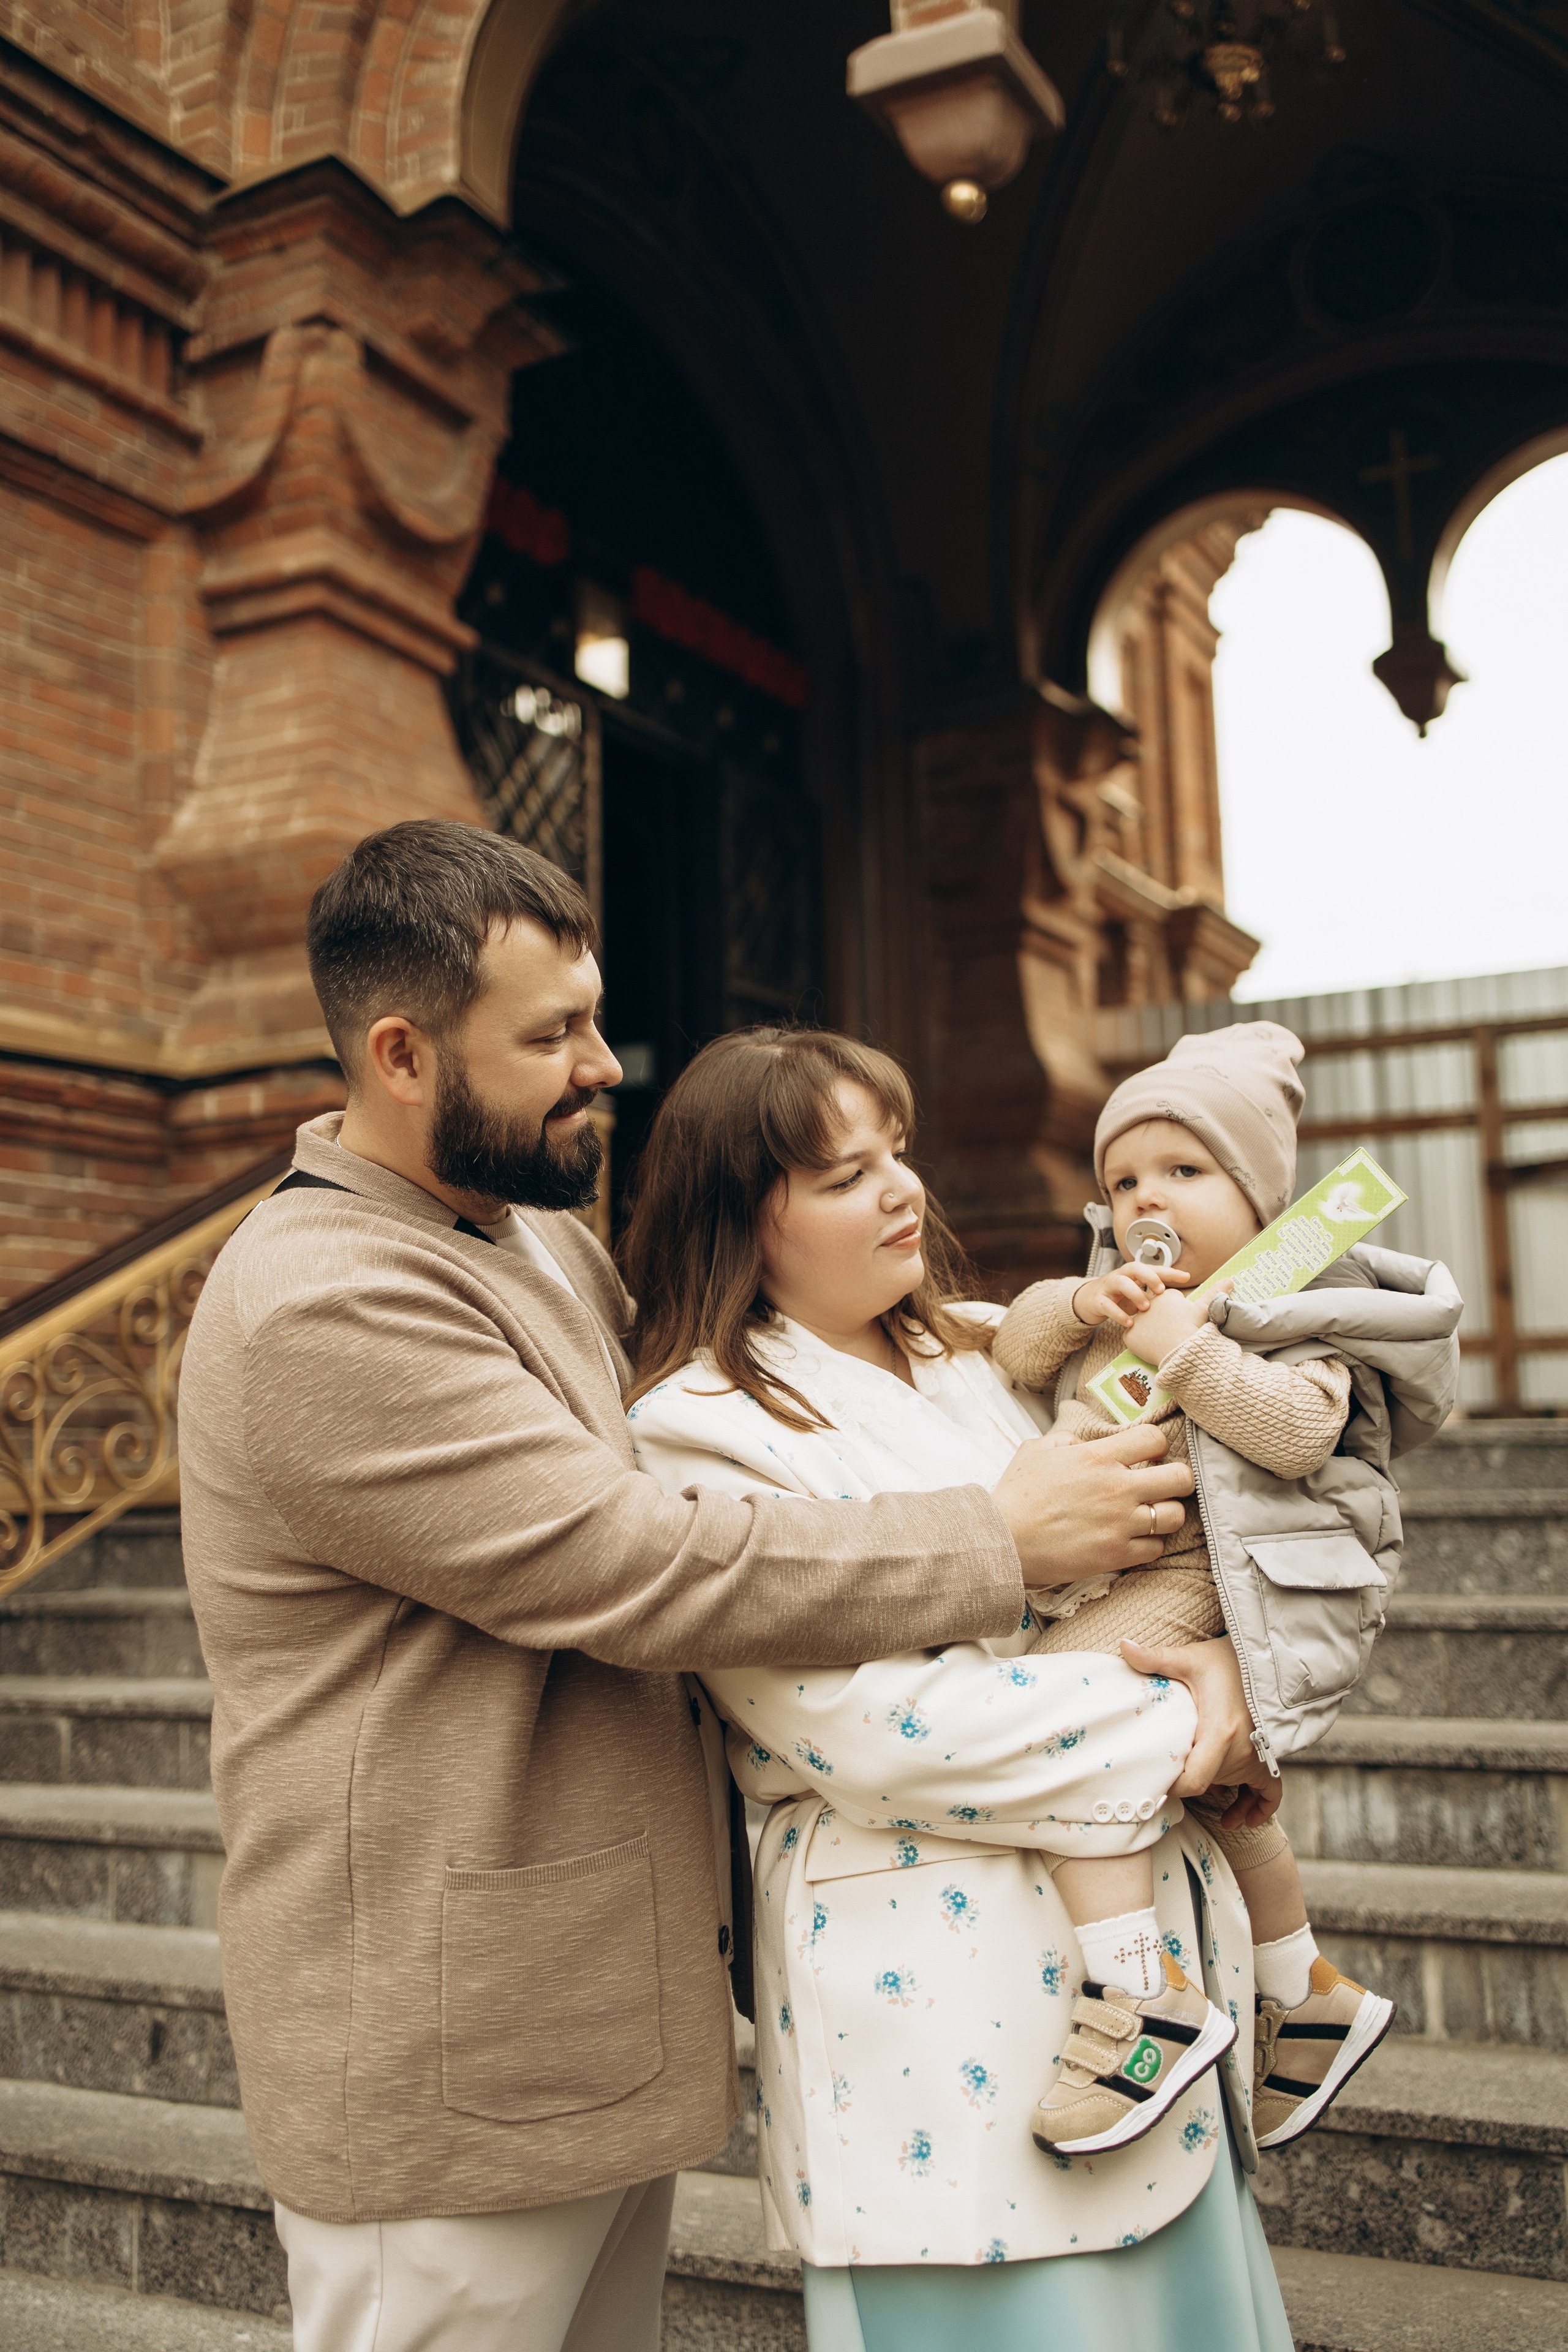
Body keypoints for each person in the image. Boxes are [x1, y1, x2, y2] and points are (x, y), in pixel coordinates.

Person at [175, 820, 1200, 2352]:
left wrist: (1025, 1341)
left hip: (579, 2012)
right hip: (444, 2049)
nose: (605, 1063)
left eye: (591, 1015)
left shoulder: (532, 1241)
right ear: (398, 1054)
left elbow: (787, 1362)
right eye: (550, 1034)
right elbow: (628, 1557)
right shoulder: (322, 1299)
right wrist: (993, 1535)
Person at [622, 1023, 1295, 2352]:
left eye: (898, 1153)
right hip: (936, 2025)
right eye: (840, 1175)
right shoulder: (696, 1431)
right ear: (737, 1222)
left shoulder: (991, 1355)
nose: (900, 1193)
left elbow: (1170, 1570)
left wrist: (1225, 1658)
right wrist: (1191, 1717)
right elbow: (880, 1733)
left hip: (1151, 2001)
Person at [995, 1022, 1460, 2158]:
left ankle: (1136, 1993)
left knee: (1050, 1711)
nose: (1150, 1198)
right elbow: (1013, 1355)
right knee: (1217, 1791)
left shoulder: (1301, 1304)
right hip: (1113, 1554)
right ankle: (1305, 1987)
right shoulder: (1119, 1295)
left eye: (1185, 1173)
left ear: (1259, 1198)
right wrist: (1078, 1307)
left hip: (1209, 1572)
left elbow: (1301, 1434)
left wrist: (1187, 1347)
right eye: (1125, 1179)